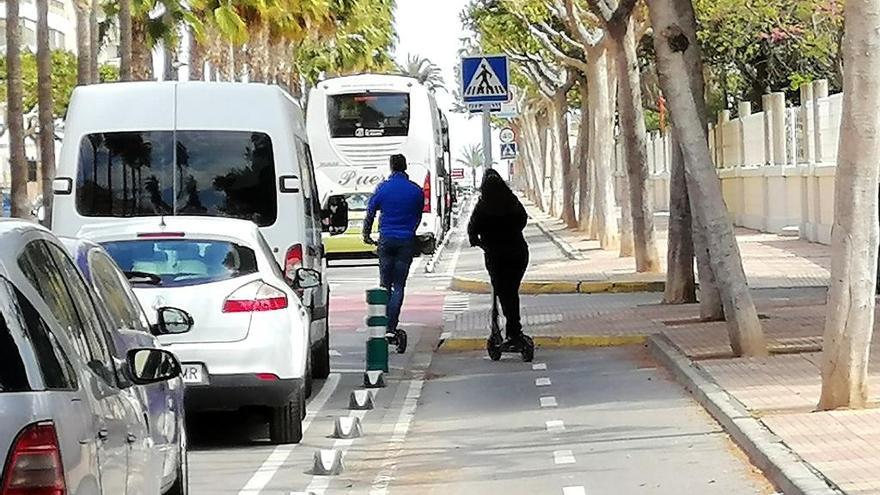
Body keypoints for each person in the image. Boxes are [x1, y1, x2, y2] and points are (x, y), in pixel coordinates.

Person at [363, 154, 424, 340]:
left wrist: (366, 233)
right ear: (405, 167)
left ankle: (383, 325)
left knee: (385, 284)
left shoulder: (383, 188)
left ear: (391, 167)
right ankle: (391, 327)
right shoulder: (415, 190)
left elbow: (371, 211)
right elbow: (418, 214)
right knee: (399, 285)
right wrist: (411, 230)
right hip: (406, 241)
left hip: (386, 240)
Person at [468, 169, 530, 346]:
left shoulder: (482, 206)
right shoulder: (512, 201)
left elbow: (472, 230)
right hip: (518, 253)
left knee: (504, 293)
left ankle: (513, 330)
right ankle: (514, 330)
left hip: (495, 256)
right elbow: (523, 220)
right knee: (512, 291)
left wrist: (482, 242)